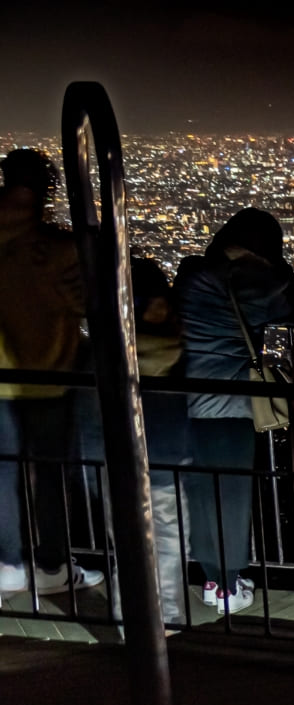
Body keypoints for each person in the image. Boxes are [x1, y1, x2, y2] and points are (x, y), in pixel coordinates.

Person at [177, 208, 294, 614]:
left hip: (187, 395)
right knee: (230, 492)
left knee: (199, 489)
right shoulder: (264, 281)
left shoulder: (194, 273)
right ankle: (229, 587)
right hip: (232, 403)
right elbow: (288, 313)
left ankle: (211, 577)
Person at [0, 147, 105, 595]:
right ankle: (52, 566)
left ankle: (7, 564)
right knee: (51, 476)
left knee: (1, 474)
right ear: (46, 189)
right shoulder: (59, 248)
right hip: (49, 377)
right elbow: (85, 304)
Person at [76, 258, 193, 624]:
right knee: (169, 544)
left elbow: (89, 416)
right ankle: (165, 624)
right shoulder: (178, 347)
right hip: (164, 457)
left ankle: (135, 622)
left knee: (131, 545)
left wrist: (94, 464)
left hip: (119, 461)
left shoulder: (103, 353)